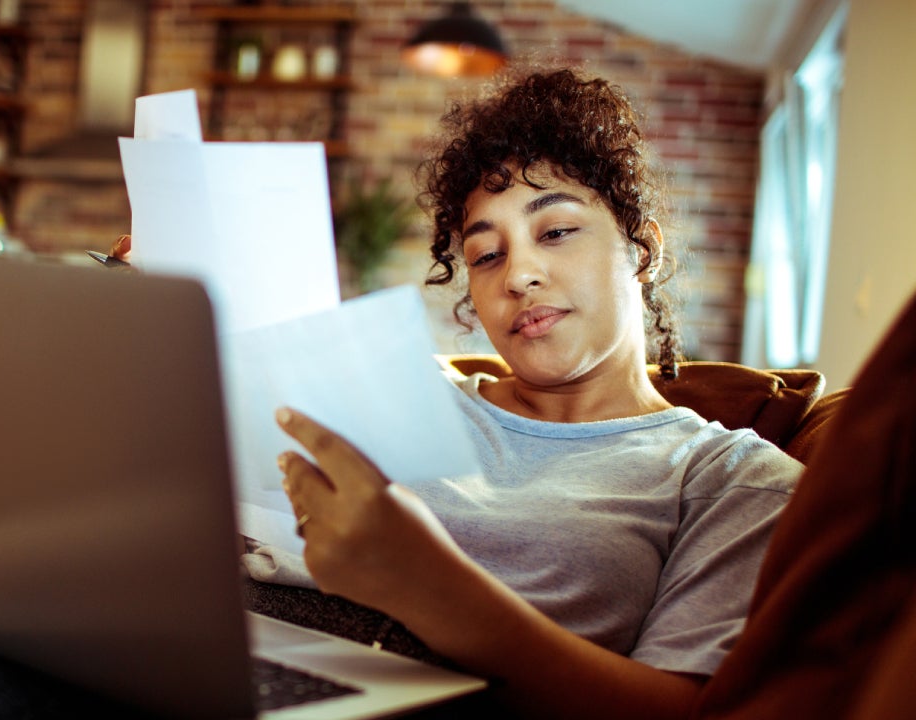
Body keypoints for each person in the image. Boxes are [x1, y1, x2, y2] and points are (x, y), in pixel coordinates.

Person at [115, 67, 802, 719]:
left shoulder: (732, 479)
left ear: (641, 252)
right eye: (487, 254)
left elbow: (691, 713)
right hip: (180, 638)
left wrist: (432, 589)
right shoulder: (399, 392)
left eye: (556, 231)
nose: (520, 274)